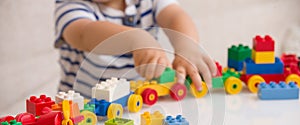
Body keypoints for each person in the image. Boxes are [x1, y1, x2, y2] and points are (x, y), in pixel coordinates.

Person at [55, 0, 217, 98]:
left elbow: (174, 15)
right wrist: (137, 38)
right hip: (83, 109)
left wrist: (186, 44)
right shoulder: (71, 5)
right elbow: (84, 33)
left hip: (138, 102)